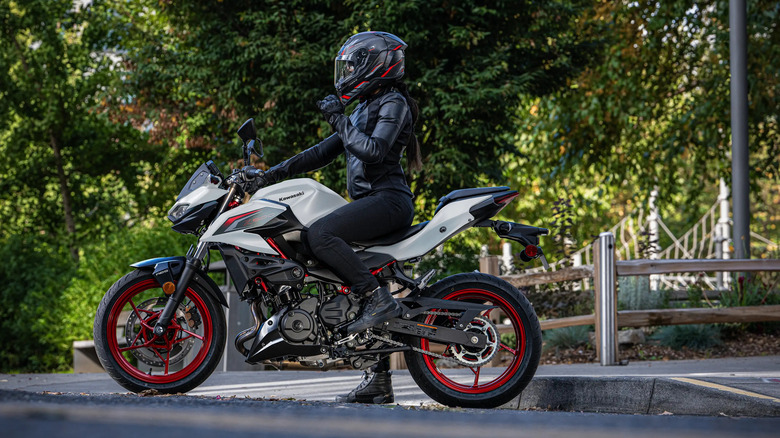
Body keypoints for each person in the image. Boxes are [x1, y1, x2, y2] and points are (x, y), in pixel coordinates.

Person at [246, 31, 421, 404]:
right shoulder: (364, 107)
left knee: (320, 234)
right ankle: (378, 382)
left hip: (388, 201)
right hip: (372, 202)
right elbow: (318, 153)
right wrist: (266, 176)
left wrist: (339, 120)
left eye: (354, 66)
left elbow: (373, 151)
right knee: (324, 249)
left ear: (376, 64)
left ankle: (376, 298)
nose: (348, 73)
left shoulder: (394, 103)